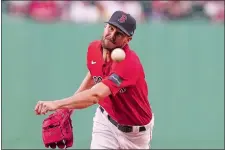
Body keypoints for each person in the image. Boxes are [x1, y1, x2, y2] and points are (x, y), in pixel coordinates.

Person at [35, 10, 155, 149]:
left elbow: (95, 95)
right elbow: (94, 74)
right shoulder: (94, 48)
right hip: (106, 122)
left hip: (135, 134)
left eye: (119, 34)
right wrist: (68, 110)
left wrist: (57, 104)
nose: (111, 35)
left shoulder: (129, 64)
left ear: (127, 40)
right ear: (105, 27)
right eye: (110, 28)